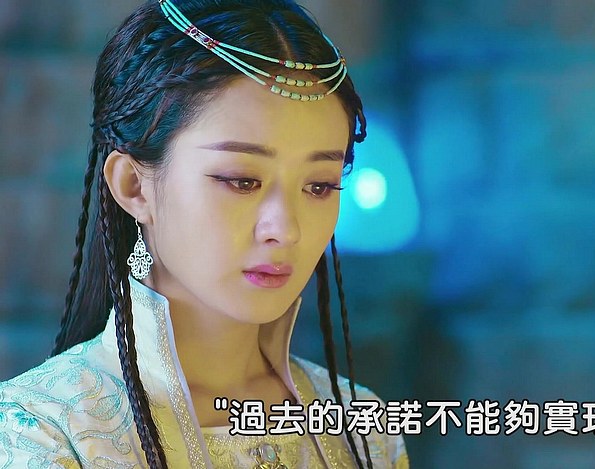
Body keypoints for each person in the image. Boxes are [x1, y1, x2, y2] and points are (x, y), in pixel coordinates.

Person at [0, 0, 409, 467]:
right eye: (242, 181)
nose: (285, 229)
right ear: (134, 186)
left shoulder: (363, 428)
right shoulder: (40, 432)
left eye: (319, 186)